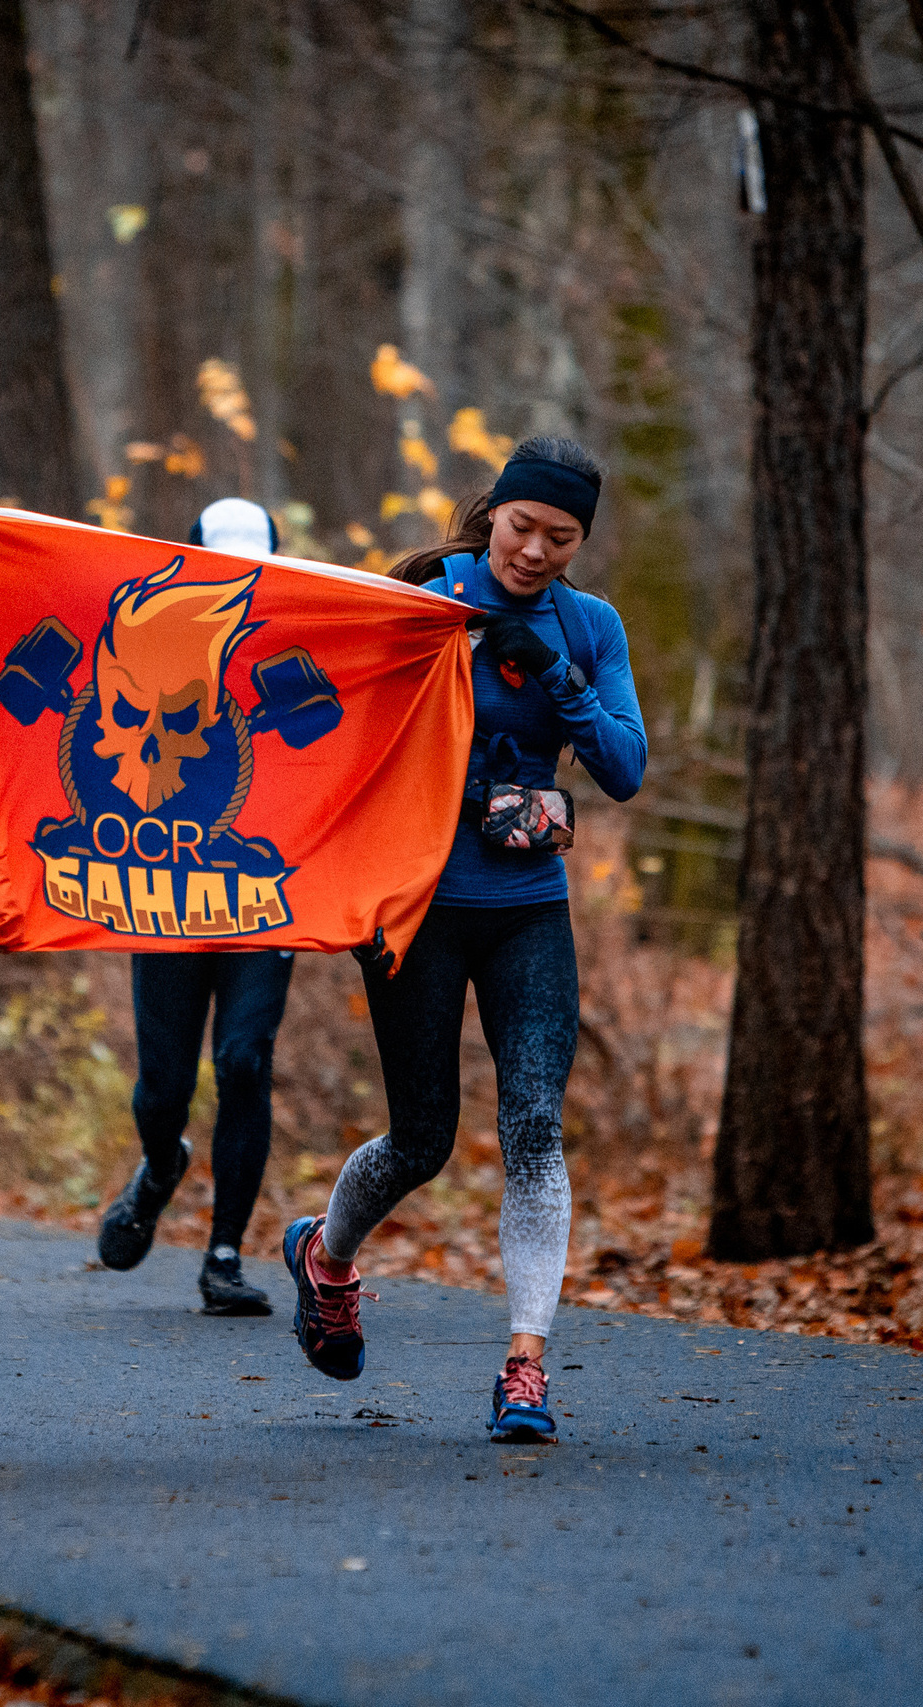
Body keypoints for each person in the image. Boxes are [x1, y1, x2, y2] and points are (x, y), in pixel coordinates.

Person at [280, 437, 644, 1444]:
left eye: (559, 538)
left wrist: (557, 678)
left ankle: (524, 1369)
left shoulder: (589, 625)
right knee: (423, 1139)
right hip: (416, 903)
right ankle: (327, 1257)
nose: (534, 551)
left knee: (533, 1124)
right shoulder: (420, 597)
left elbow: (623, 768)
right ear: (493, 515)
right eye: (521, 527)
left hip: (529, 904)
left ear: (580, 543)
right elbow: (329, 726)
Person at [96, 497, 293, 1316]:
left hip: (261, 892)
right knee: (162, 1089)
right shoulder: (145, 648)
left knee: (244, 1062)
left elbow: (346, 730)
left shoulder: (295, 647)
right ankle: (161, 1162)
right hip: (170, 891)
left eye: (253, 567)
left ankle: (223, 1256)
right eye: (219, 564)